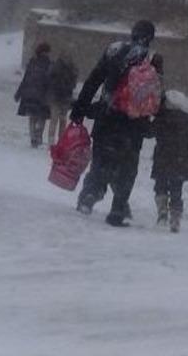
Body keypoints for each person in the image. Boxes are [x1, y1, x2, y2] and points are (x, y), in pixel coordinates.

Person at [70, 20, 157, 227]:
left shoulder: (114, 51)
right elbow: (156, 96)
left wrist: (79, 109)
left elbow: (93, 81)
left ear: (132, 33)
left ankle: (90, 196)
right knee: (128, 167)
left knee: (101, 161)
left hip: (107, 118)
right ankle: (118, 209)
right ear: (151, 37)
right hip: (134, 125)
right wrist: (155, 124)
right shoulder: (152, 60)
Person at [147, 91, 188, 233]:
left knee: (160, 186)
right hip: (180, 160)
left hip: (162, 157)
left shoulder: (161, 119)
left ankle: (162, 211)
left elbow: (149, 132)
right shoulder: (186, 120)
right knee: (177, 190)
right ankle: (175, 217)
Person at [15, 42, 52, 148]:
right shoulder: (49, 64)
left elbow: (25, 79)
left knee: (32, 117)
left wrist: (19, 93)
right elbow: (49, 82)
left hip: (29, 94)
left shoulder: (32, 62)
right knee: (42, 117)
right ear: (46, 52)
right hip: (42, 95)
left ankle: (33, 137)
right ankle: (38, 136)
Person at [47, 51, 78, 146]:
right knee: (60, 120)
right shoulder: (70, 69)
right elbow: (73, 84)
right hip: (62, 98)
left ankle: (55, 141)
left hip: (59, 98)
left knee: (57, 120)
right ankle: (56, 141)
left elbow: (50, 79)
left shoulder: (57, 67)